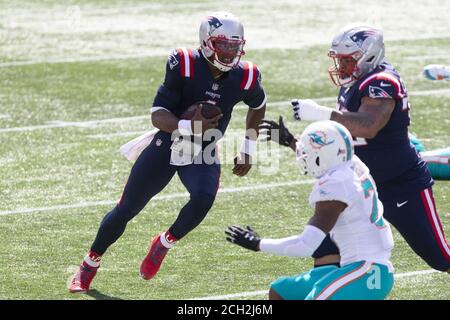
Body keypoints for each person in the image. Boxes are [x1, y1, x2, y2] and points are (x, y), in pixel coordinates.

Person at [69, 11, 267, 293]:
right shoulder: (184, 62)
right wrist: (189, 126)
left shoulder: (246, 75)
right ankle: (89, 264)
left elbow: (258, 105)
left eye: (234, 46)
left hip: (203, 149)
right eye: (223, 45)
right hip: (168, 143)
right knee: (126, 209)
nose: (229, 52)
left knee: (202, 200)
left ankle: (163, 243)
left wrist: (248, 147)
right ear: (207, 42)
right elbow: (158, 115)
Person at [280, 25, 449, 273]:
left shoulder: (381, 81)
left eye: (347, 60)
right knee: (325, 251)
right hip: (359, 187)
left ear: (368, 56)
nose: (341, 67)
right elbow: (343, 136)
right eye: (339, 60)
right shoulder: (355, 81)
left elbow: (369, 126)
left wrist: (321, 113)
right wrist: (293, 141)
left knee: (441, 259)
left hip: (400, 184)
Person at [226, 120, 394, 300]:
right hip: (358, 266)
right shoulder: (351, 162)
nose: (303, 156)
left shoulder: (335, 186)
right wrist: (290, 140)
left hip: (367, 273)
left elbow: (305, 246)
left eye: (306, 153)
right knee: (282, 291)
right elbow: (325, 153)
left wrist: (258, 243)